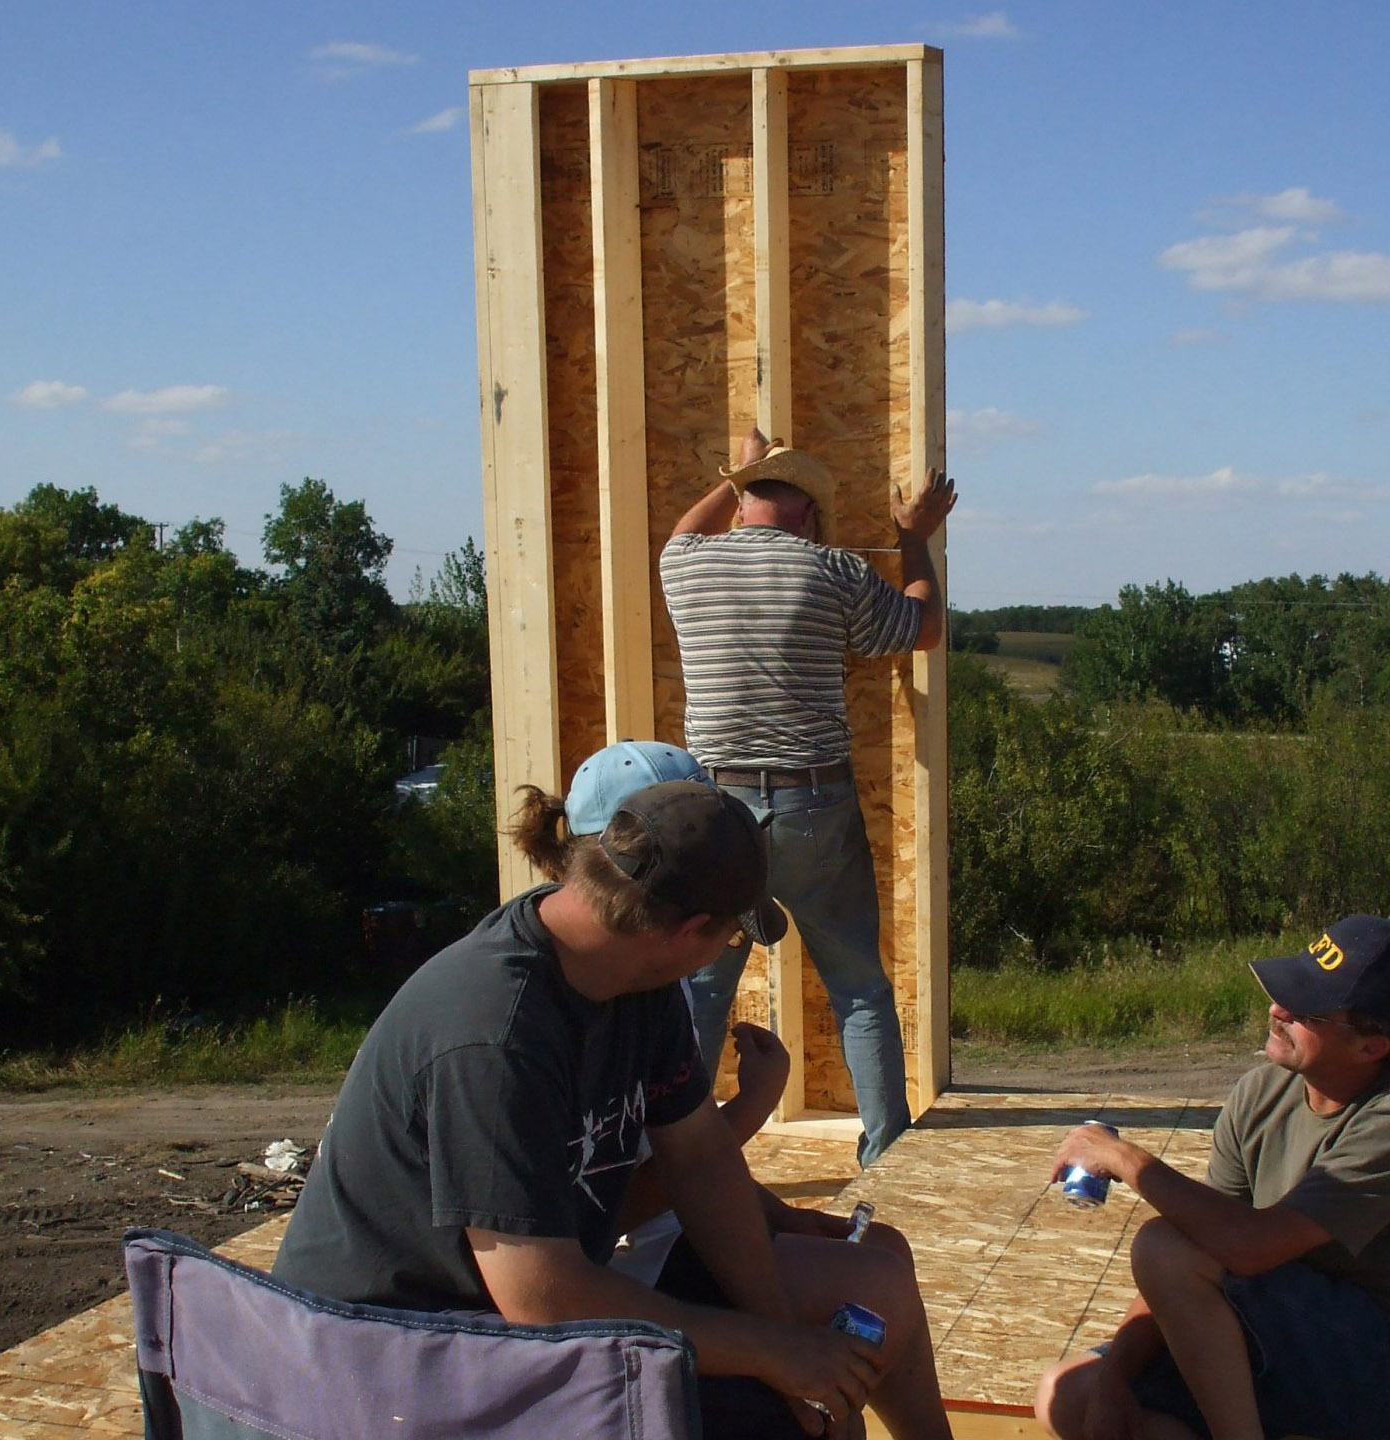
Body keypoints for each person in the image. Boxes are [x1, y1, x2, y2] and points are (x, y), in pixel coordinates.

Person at [274, 775, 949, 1440]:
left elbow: (701, 1164)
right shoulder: (495, 1033)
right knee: (769, 1420)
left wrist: (783, 1342)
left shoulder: (627, 972)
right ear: (689, 932)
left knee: (834, 1366)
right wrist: (773, 1356)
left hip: (505, 1323)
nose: (724, 955)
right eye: (732, 939)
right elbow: (543, 1300)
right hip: (396, 1368)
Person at [506, 739, 955, 1440]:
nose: (726, 949)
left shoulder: (646, 986)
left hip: (644, 1261)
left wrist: (780, 1218)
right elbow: (605, 1220)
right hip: (613, 1285)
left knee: (880, 1260)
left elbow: (692, 1163)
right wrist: (749, 1111)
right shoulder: (533, 1016)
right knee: (873, 1296)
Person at [1034, 915, 1390, 1440]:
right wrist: (1116, 1380)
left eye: (1306, 1010)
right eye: (1284, 992)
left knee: (1161, 1245)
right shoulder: (1262, 1092)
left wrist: (1124, 1159)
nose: (1277, 1011)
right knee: (1068, 1396)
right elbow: (1194, 1256)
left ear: (1371, 1047)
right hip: (1284, 1323)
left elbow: (1247, 1247)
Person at [659, 427, 958, 1167]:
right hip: (812, 808)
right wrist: (912, 538)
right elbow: (922, 628)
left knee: (700, 991)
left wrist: (741, 469)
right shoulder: (831, 570)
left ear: (743, 501)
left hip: (716, 814)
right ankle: (886, 1154)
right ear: (806, 514)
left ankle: (679, 1158)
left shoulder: (685, 564)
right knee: (857, 987)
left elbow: (681, 529)